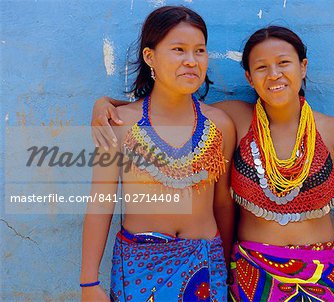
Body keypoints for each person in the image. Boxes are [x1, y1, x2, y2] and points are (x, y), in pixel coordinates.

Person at [92, 26, 334, 302]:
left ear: (303, 66)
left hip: (321, 273)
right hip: (252, 273)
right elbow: (172, 104)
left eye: (284, 63)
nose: (274, 75)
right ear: (249, 77)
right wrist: (108, 106)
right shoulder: (234, 119)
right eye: (261, 67)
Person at [81, 6, 235, 302]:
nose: (191, 61)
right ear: (150, 56)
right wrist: (88, 283)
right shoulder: (119, 125)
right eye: (179, 50)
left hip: (205, 266)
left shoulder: (221, 125)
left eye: (200, 51)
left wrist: (225, 270)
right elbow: (100, 204)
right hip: (138, 268)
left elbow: (223, 205)